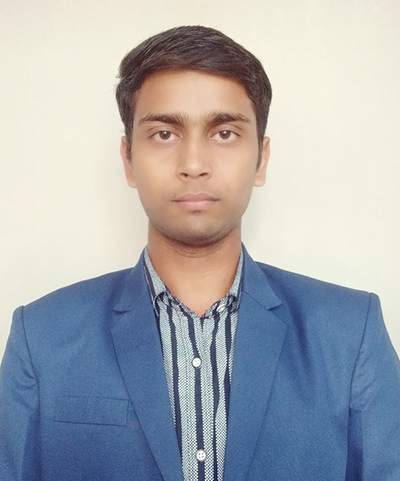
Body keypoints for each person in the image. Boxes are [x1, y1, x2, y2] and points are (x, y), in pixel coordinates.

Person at [0, 25, 399, 481]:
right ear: (128, 160)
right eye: (164, 134)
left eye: (224, 133)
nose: (193, 164)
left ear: (261, 159)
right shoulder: (43, 337)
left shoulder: (350, 334)